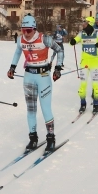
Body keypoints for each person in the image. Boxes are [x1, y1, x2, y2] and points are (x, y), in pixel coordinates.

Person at [7, 13, 63, 152]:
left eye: (28, 30)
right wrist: (12, 67)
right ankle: (33, 138)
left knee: (45, 109)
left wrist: (57, 68)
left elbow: (59, 50)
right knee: (31, 109)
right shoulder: (21, 40)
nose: (25, 33)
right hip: (29, 76)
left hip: (43, 76)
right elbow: (17, 52)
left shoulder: (44, 38)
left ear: (34, 28)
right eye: (23, 30)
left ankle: (51, 138)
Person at [69, 17, 98, 114]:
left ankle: (96, 104)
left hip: (94, 62)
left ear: (89, 24)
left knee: (95, 85)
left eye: (85, 22)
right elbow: (73, 41)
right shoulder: (81, 34)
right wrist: (72, 41)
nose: (83, 24)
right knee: (82, 86)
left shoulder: (97, 34)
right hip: (84, 63)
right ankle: (83, 104)